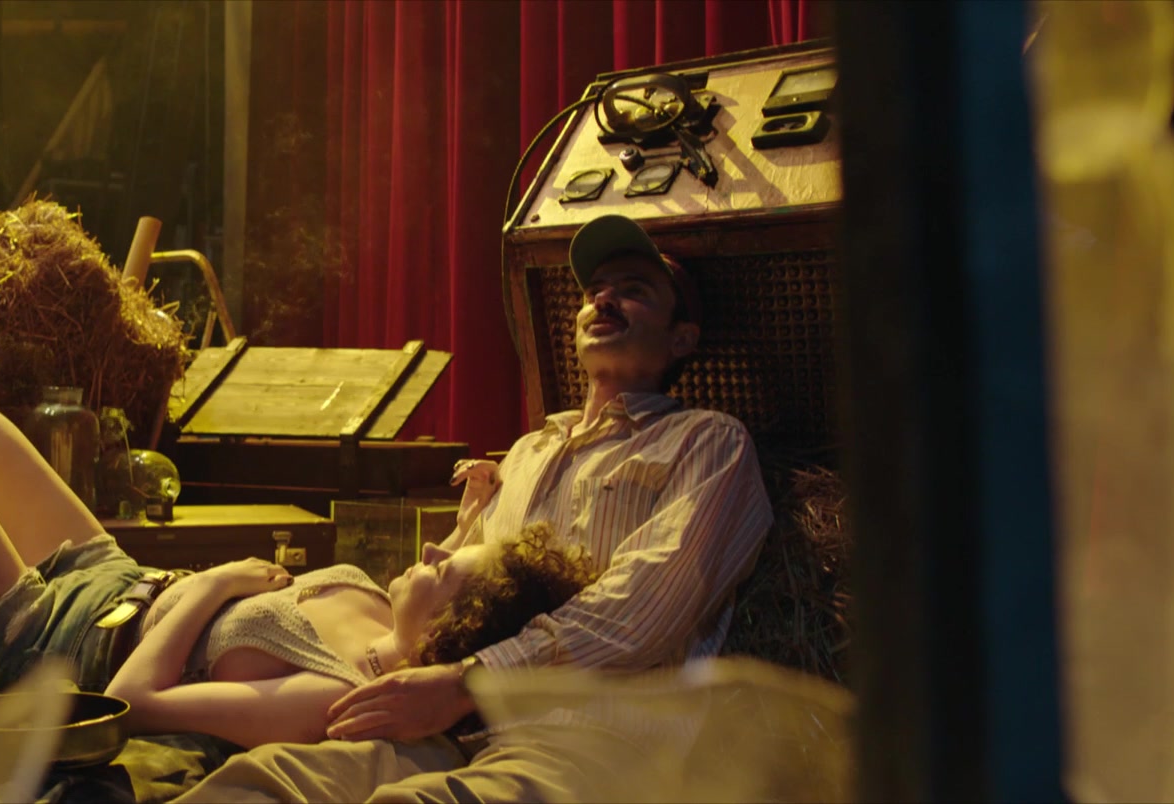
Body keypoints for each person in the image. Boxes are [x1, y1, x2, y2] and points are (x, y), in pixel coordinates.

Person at [174, 213, 775, 801]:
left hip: (588, 737)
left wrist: (470, 680)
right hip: (457, 725)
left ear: (682, 338)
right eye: (594, 291)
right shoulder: (529, 450)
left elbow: (640, 611)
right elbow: (455, 597)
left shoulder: (707, 442)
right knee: (269, 779)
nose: (604, 300)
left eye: (635, 291)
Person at [0, 400, 596, 750]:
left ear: (454, 633)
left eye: (452, 567)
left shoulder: (337, 695)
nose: (435, 552)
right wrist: (481, 506)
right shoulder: (379, 602)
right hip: (118, 578)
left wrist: (211, 586)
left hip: (56, 642)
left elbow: (135, 704)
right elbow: (470, 554)